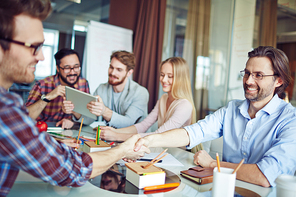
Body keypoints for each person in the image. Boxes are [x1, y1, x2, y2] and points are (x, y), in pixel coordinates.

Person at [0, 1, 149, 196]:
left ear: (128, 73)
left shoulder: (129, 91)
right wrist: (123, 150)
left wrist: (75, 117)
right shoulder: (6, 109)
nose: (42, 57)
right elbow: (71, 169)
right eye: (33, 47)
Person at [134, 46, 296, 187]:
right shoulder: (232, 109)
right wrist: (148, 140)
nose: (248, 81)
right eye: (247, 73)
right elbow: (192, 132)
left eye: (258, 75)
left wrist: (212, 164)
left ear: (279, 81)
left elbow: (266, 176)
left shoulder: (290, 120)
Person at [100, 57, 197, 142]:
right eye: (162, 75)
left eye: (170, 76)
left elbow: (159, 135)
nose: (163, 80)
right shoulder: (163, 99)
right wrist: (114, 131)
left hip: (179, 155)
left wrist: (117, 136)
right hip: (163, 150)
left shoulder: (184, 105)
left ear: (180, 79)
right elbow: (144, 125)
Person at [62, 50, 149, 128]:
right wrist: (74, 111)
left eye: (119, 70)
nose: (112, 73)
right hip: (110, 138)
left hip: (135, 140)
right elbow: (90, 119)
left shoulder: (140, 92)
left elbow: (129, 123)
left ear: (129, 73)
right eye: (111, 67)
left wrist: (104, 111)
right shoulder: (101, 89)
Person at [26, 48, 90, 129]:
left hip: (71, 133)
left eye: (76, 67)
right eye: (67, 68)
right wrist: (48, 97)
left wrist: (72, 121)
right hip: (43, 131)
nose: (72, 72)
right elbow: (25, 117)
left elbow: (88, 117)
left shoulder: (83, 84)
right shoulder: (42, 85)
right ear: (58, 68)